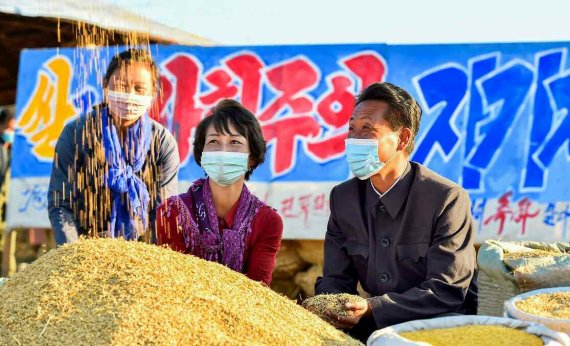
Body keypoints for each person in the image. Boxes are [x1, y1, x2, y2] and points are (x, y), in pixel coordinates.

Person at [314, 82, 478, 342]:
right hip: (376, 331)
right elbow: (335, 278)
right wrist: (330, 305)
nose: (354, 139)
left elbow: (446, 291)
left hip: (441, 331)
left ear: (402, 138)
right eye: (351, 128)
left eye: (367, 129)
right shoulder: (343, 198)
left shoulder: (447, 199)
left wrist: (372, 308)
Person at [48, 49, 179, 245]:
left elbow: (163, 211)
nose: (129, 95)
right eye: (121, 85)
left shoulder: (162, 142)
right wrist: (72, 253)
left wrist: (147, 258)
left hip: (141, 251)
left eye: (139, 89)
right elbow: (61, 203)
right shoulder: (77, 133)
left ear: (153, 93)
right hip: (83, 245)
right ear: (105, 85)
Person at [156, 99, 283, 286]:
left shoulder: (267, 221)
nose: (224, 151)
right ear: (202, 153)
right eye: (214, 141)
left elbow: (259, 293)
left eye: (235, 142)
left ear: (252, 158)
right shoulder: (171, 213)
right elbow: (173, 283)